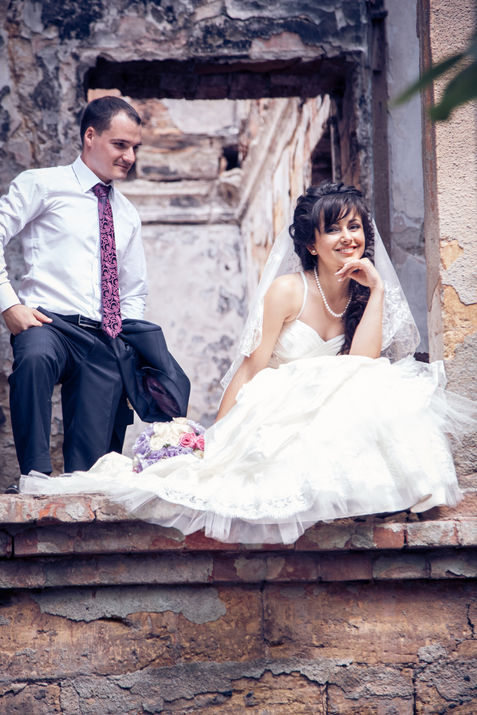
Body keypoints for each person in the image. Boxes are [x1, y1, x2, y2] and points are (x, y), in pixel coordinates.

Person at [20, 182, 475, 543]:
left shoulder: (366, 291)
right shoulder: (288, 290)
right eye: (334, 229)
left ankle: (381, 495)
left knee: (384, 385)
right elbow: (251, 367)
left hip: (334, 404)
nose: (347, 238)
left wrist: (375, 290)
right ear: (312, 243)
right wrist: (215, 438)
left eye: (354, 227)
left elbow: (362, 365)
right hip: (282, 405)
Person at [0, 96, 147, 490]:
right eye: (120, 145)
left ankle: (78, 493)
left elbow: (134, 290)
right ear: (90, 136)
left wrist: (127, 344)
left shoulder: (128, 214)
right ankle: (33, 476)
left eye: (135, 147)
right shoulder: (42, 184)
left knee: (90, 475)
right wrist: (8, 303)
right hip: (48, 324)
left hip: (103, 338)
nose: (130, 157)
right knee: (34, 360)